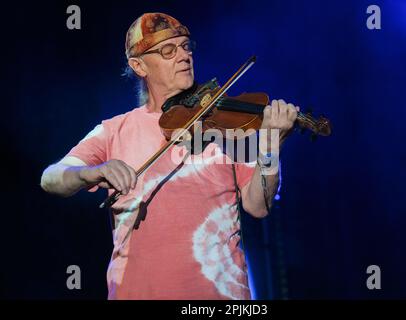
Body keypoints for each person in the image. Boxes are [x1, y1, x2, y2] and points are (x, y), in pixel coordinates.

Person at [40, 12, 298, 300]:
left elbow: (258, 205)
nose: (184, 55)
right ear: (138, 65)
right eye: (168, 50)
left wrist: (272, 146)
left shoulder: (226, 126)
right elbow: (51, 178)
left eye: (186, 46)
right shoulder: (113, 131)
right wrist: (92, 171)